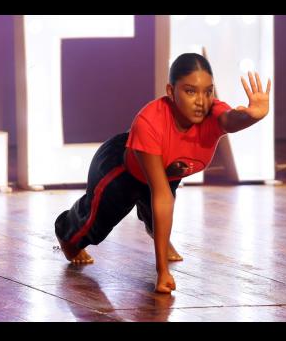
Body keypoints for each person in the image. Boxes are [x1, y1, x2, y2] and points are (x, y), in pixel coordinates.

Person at [55, 53, 271, 294]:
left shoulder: (212, 112)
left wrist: (252, 116)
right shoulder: (150, 122)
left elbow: (231, 120)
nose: (201, 101)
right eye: (190, 91)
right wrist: (162, 271)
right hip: (121, 169)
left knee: (156, 205)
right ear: (171, 90)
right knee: (94, 226)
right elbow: (162, 195)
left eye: (208, 91)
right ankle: (66, 236)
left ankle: (158, 233)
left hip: (167, 170)